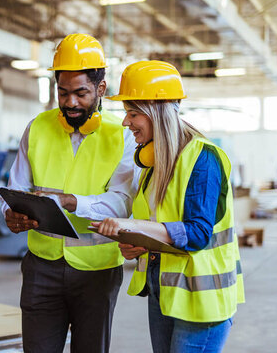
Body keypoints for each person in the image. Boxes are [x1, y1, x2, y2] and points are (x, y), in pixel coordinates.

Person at [93, 60, 245, 353]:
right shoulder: (154, 164)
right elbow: (162, 226)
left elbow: (197, 233)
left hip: (202, 302)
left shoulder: (203, 159)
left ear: (156, 113)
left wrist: (132, 226)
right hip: (164, 292)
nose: (126, 123)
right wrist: (138, 244)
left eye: (133, 113)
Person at [3, 33, 138, 353]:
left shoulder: (123, 135)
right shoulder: (37, 127)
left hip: (97, 271)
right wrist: (13, 214)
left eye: (81, 93)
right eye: (63, 93)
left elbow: (123, 203)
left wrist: (73, 201)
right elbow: (18, 188)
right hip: (41, 266)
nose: (71, 102)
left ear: (101, 89)